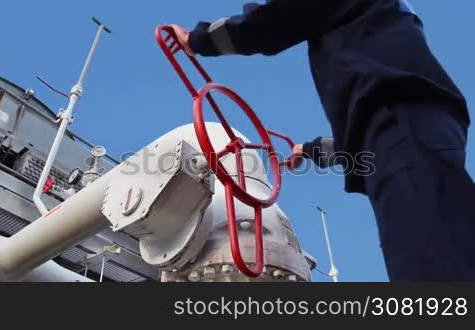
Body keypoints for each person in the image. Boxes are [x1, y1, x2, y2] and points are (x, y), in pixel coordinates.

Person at [170, 0, 474, 281]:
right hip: (412, 128)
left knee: (428, 258)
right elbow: (370, 141)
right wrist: (312, 150)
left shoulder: (392, 107)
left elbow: (278, 20)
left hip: (402, 123)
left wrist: (198, 41)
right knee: (441, 244)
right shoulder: (378, 31)